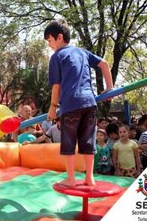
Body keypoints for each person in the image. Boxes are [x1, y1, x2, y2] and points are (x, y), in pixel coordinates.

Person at [44, 19, 113, 187]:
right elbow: (104, 63)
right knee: (88, 141)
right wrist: (109, 87)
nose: (50, 46)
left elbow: (56, 86)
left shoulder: (57, 57)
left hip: (70, 105)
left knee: (68, 142)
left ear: (59, 37)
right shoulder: (82, 52)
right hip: (89, 103)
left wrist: (53, 108)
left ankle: (71, 179)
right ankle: (89, 177)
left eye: (50, 41)